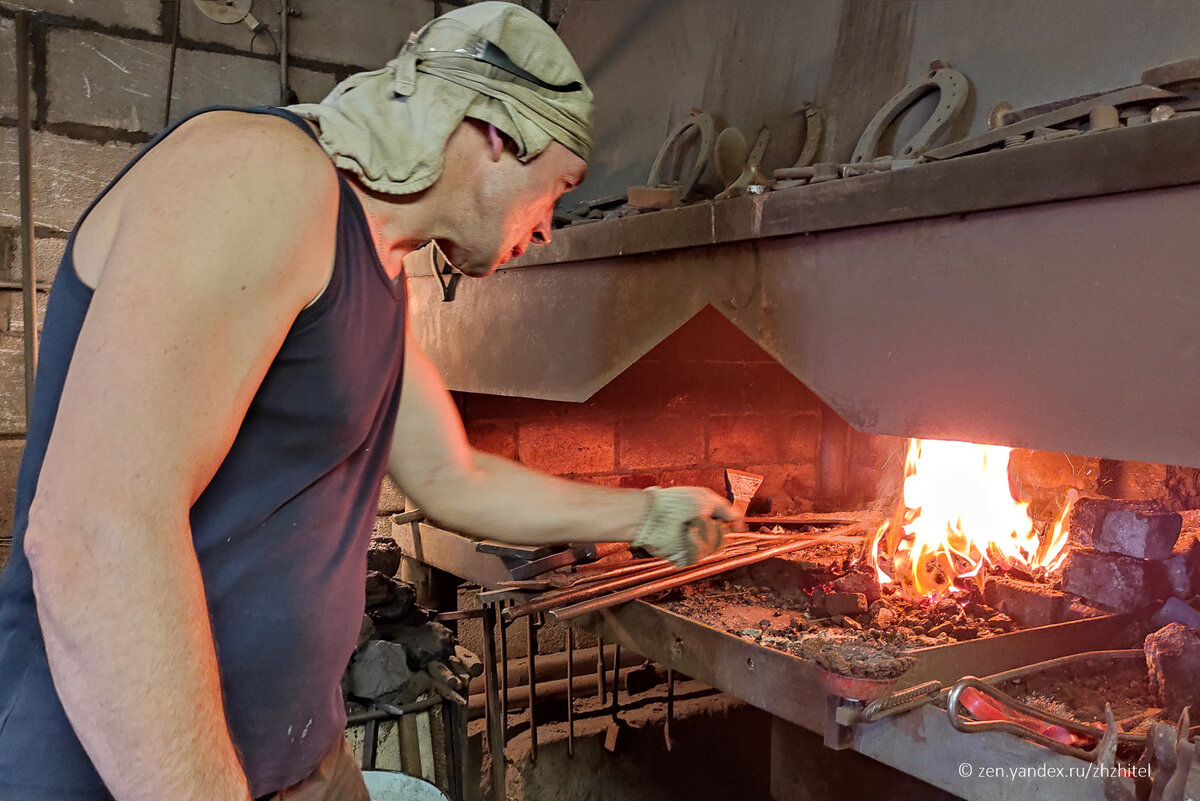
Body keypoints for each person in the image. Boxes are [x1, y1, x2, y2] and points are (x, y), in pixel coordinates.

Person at [0, 4, 737, 801]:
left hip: (296, 760)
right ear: (493, 133)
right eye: (557, 187)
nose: (550, 228)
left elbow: (455, 478)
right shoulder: (260, 174)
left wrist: (647, 514)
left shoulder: (379, 268)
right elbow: (94, 532)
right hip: (128, 772)